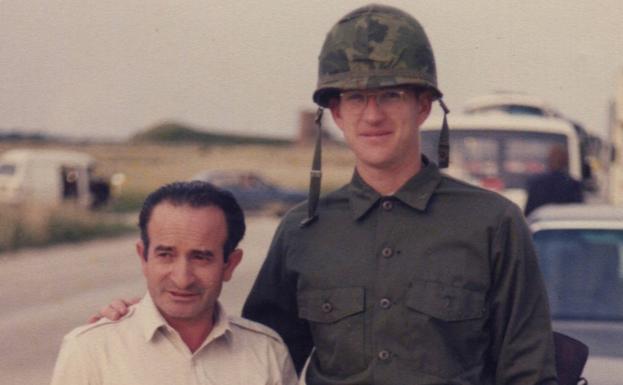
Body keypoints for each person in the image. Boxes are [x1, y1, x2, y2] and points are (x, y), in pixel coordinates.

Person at [93, 4, 557, 385]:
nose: (371, 115)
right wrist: (142, 321)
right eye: (355, 98)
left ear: (422, 106)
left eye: (390, 95)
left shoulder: (493, 224)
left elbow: (528, 369)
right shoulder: (303, 230)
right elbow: (251, 357)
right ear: (335, 112)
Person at [51, 181, 297, 385]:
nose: (182, 279)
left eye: (201, 257)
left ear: (230, 264)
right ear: (143, 258)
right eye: (165, 255)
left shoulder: (267, 353)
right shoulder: (90, 350)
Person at [524, 144, 584, 216]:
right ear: (566, 162)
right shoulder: (574, 185)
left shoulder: (537, 183)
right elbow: (578, 213)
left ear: (549, 161)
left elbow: (529, 213)